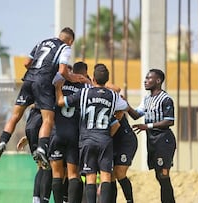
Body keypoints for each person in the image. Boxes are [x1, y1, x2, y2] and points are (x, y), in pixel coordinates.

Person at [0, 27, 90, 167]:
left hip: (28, 79)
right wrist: (72, 77)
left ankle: (2, 142)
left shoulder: (41, 43)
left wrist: (35, 72)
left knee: (15, 115)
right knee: (48, 119)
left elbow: (26, 63)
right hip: (43, 82)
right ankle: (41, 149)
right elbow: (63, 70)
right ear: (70, 41)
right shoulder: (64, 48)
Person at [54, 63, 128, 203]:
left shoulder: (84, 92)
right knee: (106, 176)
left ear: (93, 78)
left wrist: (58, 88)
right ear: (107, 79)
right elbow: (124, 107)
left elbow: (61, 102)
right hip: (105, 139)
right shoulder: (112, 95)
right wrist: (114, 119)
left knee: (90, 177)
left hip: (87, 139)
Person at [127, 69, 176, 203]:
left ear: (158, 81)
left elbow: (169, 120)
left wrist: (147, 126)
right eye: (146, 78)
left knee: (163, 175)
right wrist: (125, 105)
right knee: (158, 175)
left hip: (164, 140)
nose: (145, 81)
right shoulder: (147, 99)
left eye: (149, 78)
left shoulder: (165, 99)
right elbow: (136, 115)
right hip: (152, 140)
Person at [49, 61, 91, 203]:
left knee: (57, 174)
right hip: (75, 133)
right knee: (73, 174)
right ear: (85, 73)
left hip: (57, 133)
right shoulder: (85, 87)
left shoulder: (57, 82)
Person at [16, 106, 52, 203]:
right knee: (50, 166)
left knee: (40, 165)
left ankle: (36, 200)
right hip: (43, 123)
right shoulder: (52, 92)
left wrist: (28, 137)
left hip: (32, 124)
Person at [110, 110, 137, 203]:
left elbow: (119, 116)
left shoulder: (114, 98)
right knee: (110, 175)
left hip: (125, 141)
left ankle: (130, 200)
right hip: (112, 141)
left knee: (119, 172)